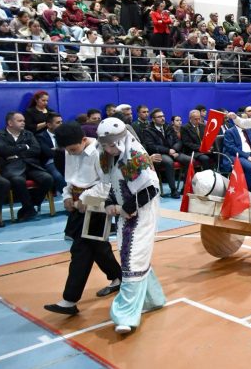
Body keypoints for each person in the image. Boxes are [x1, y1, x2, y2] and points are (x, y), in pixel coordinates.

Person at [93, 118, 165, 334]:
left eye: (113, 144)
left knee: (133, 257)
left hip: (141, 212)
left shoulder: (135, 156)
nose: (110, 149)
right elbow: (110, 184)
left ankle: (125, 314)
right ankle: (154, 298)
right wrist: (109, 203)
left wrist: (127, 208)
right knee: (131, 255)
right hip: (125, 213)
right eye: (105, 145)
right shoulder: (107, 157)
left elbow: (150, 188)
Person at [43, 123, 122, 316]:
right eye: (68, 150)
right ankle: (119, 278)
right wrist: (67, 197)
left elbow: (105, 186)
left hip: (97, 203)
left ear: (83, 140)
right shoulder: (69, 151)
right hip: (79, 202)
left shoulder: (100, 152)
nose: (71, 153)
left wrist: (82, 201)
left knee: (81, 250)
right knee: (97, 248)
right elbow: (70, 179)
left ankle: (69, 300)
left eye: (73, 149)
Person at [0, 112, 54, 221]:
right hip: (12, 167)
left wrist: (15, 153)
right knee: (18, 180)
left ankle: (28, 207)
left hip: (31, 165)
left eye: (24, 120)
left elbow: (36, 150)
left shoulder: (28, 134)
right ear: (10, 123)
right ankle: (29, 209)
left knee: (48, 178)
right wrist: (24, 147)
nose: (23, 123)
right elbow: (3, 150)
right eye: (20, 121)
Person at [141, 108, 191, 198]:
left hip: (173, 151)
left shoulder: (168, 127)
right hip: (160, 154)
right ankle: (173, 190)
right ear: (153, 119)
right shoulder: (148, 130)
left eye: (163, 116)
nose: (163, 118)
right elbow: (151, 146)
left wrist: (174, 150)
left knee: (188, 160)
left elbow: (178, 141)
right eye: (159, 117)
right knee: (169, 162)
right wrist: (168, 151)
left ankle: (185, 187)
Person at [221, 110, 251, 193]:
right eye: (244, 120)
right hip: (236, 156)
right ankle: (245, 191)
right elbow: (231, 148)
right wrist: (247, 156)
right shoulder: (229, 132)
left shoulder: (249, 130)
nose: (246, 122)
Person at [36, 112, 67, 197]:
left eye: (61, 122)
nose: (61, 124)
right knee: (58, 176)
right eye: (58, 122)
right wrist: (62, 150)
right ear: (49, 125)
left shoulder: (65, 134)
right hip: (50, 162)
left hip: (67, 160)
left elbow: (71, 149)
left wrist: (57, 149)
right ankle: (68, 198)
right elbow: (48, 153)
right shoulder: (40, 137)